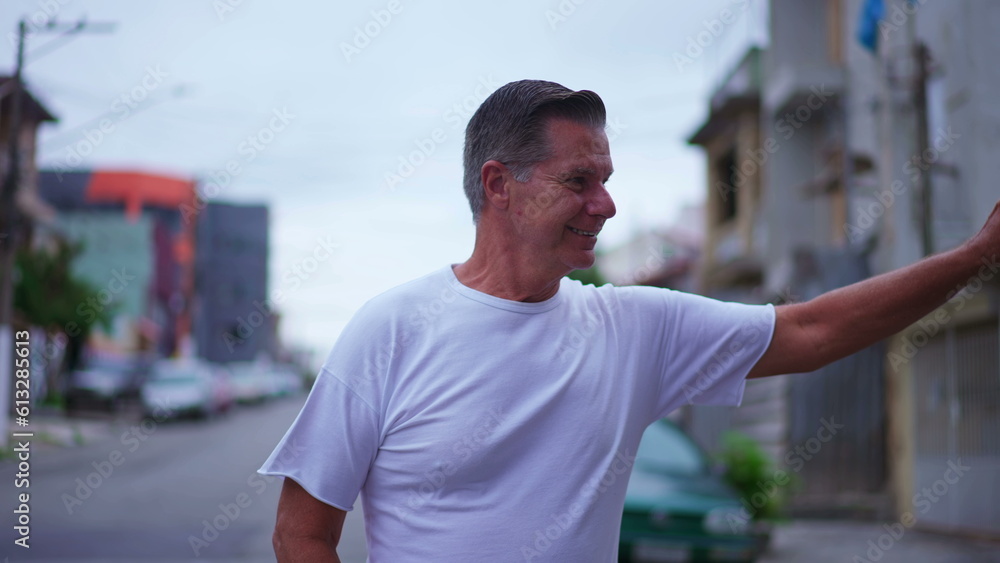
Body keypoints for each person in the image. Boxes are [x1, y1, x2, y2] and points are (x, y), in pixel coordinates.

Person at [260, 79, 999, 562]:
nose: (605, 205)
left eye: (607, 181)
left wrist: (973, 257)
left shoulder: (633, 328)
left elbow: (810, 331)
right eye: (578, 181)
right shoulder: (390, 330)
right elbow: (303, 531)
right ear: (500, 187)